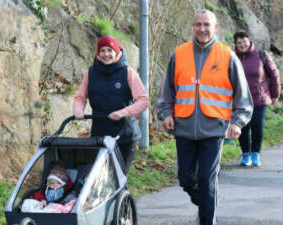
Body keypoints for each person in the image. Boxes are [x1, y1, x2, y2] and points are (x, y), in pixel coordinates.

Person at [156, 10, 253, 225]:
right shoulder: (179, 53)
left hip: (214, 129)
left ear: (215, 27)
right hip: (184, 127)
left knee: (207, 180)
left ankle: (208, 219)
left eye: (207, 25)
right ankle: (207, 204)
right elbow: (167, 90)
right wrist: (166, 113)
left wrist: (237, 122)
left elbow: (243, 96)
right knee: (186, 179)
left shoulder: (227, 55)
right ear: (192, 27)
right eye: (198, 24)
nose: (202, 29)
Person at [73, 35, 149, 174]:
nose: (106, 54)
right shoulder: (91, 73)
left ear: (116, 51)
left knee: (118, 176)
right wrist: (78, 111)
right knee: (99, 177)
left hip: (124, 135)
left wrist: (123, 113)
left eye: (109, 50)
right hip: (99, 134)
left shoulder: (127, 72)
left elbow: (143, 100)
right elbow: (80, 97)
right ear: (98, 53)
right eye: (102, 50)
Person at [233, 31, 281, 167]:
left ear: (249, 41)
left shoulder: (261, 55)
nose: (242, 45)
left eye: (244, 42)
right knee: (242, 127)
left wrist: (275, 94)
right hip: (240, 100)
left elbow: (274, 75)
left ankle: (256, 154)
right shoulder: (232, 57)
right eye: (239, 43)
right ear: (236, 44)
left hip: (259, 99)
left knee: (257, 126)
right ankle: (246, 154)